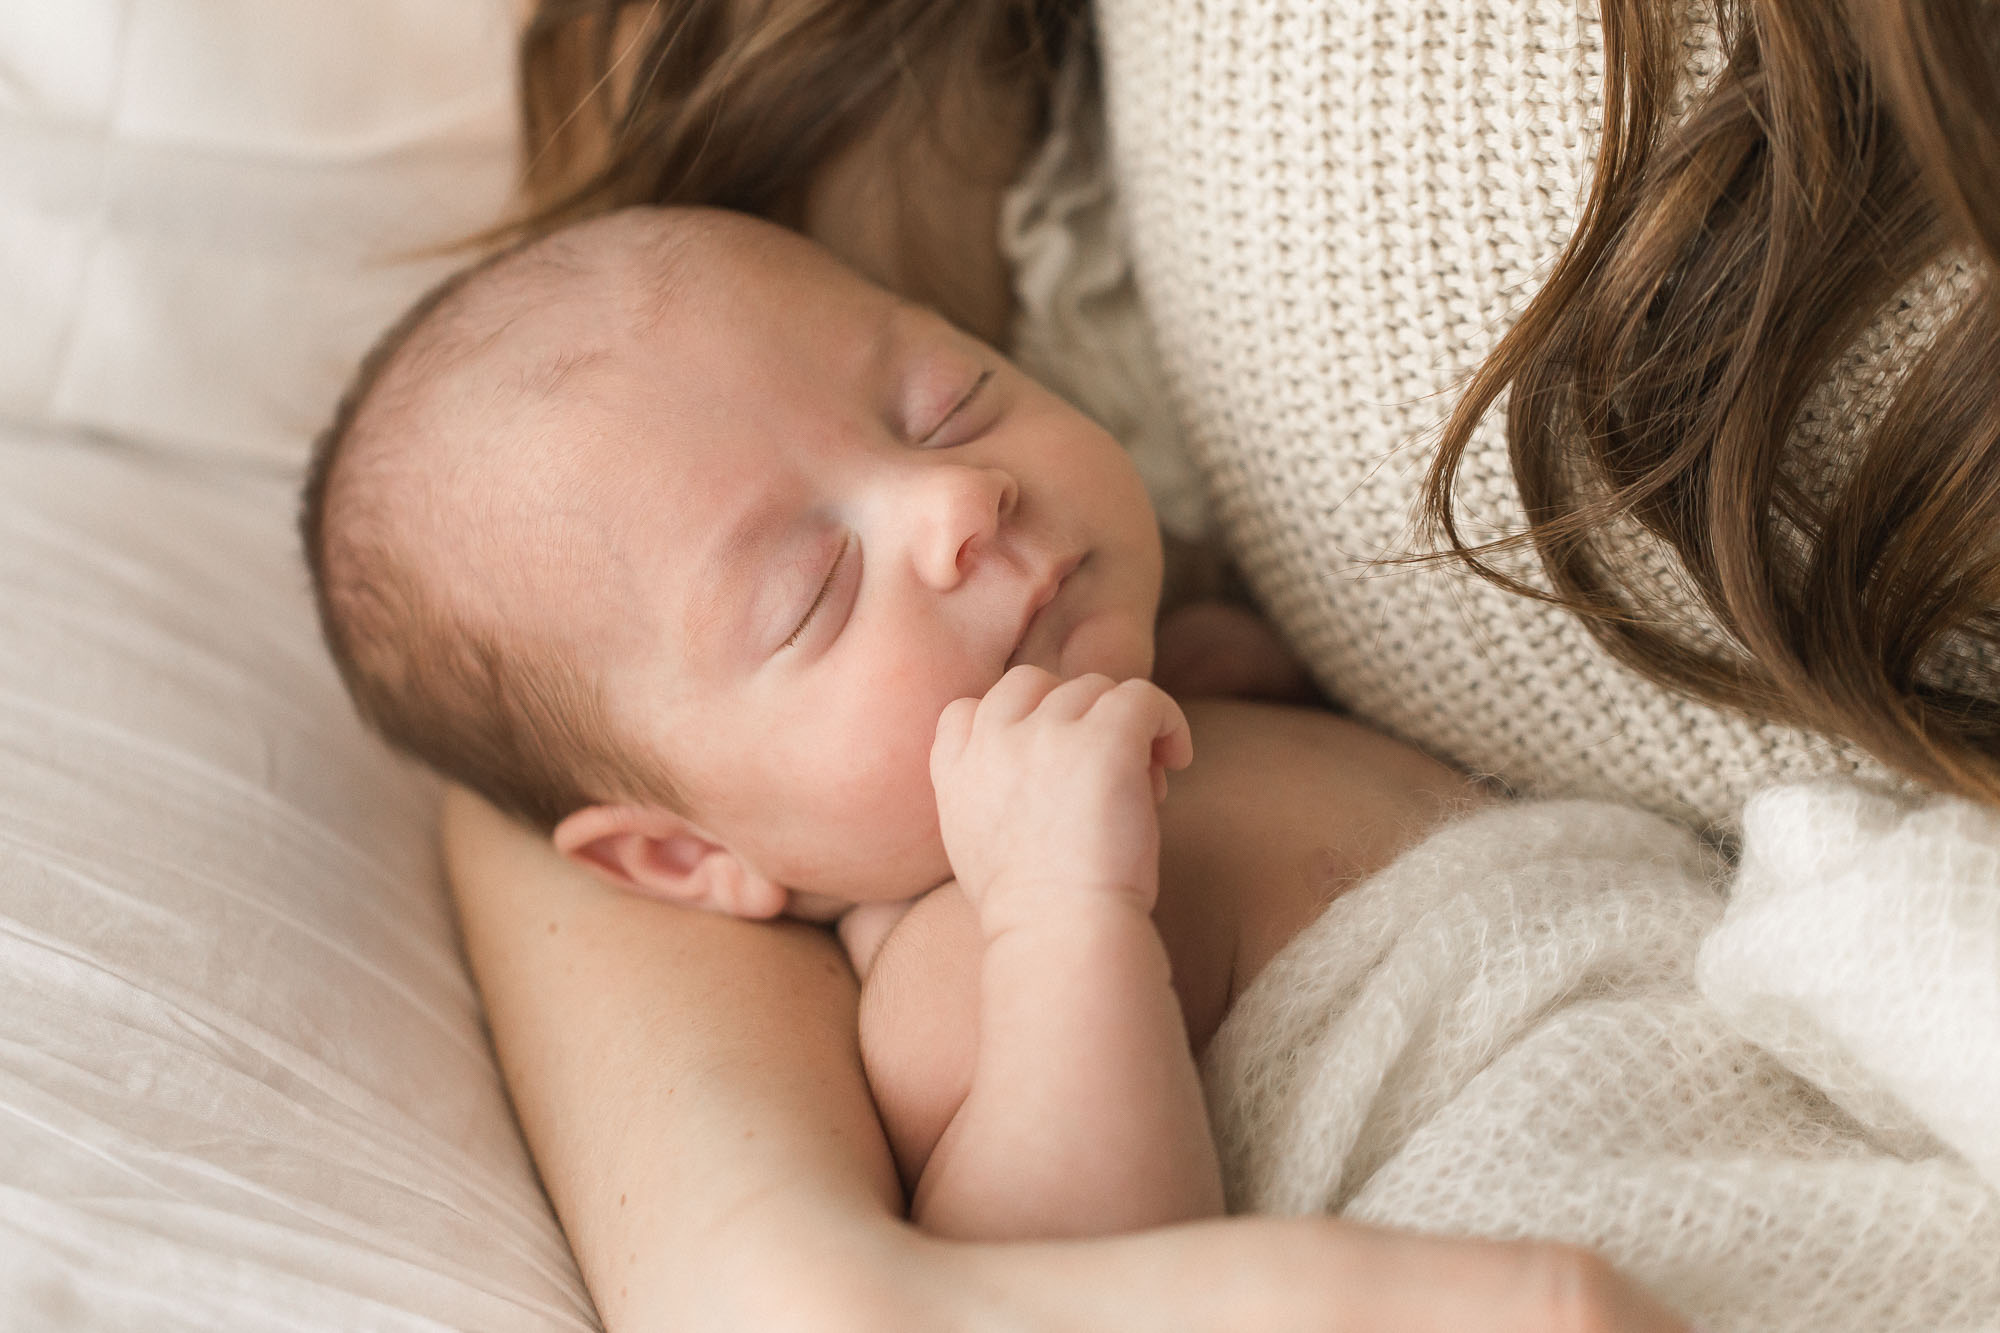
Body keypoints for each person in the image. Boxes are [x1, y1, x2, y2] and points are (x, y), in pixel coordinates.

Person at [423, 0, 1995, 1327]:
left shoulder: (1190, 671)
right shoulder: (960, 950)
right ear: (687, 852)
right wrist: (1066, 920)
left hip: (1707, 1053)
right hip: (1522, 1192)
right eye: (813, 589)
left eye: (950, 402)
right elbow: (1077, 1276)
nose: (955, 505)